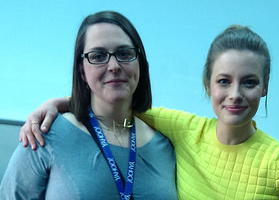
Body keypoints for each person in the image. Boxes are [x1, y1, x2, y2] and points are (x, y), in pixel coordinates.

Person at [18, 25, 279, 199]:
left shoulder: (278, 162)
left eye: (249, 82)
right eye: (224, 81)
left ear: (265, 87)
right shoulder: (185, 130)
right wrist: (60, 103)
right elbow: (118, 104)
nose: (235, 95)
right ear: (208, 85)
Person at [0, 11, 177, 200]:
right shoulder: (46, 134)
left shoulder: (165, 146)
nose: (114, 65)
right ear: (82, 71)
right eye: (98, 56)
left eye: (124, 53)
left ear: (140, 64)